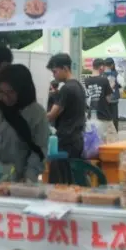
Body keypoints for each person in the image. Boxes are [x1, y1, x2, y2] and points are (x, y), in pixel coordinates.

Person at [0, 64, 48, 182]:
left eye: (11, 92)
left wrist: (28, 177)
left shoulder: (36, 113)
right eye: (1, 92)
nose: (5, 98)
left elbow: (39, 151)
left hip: (19, 180)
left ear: (23, 90)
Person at [47, 53, 86, 183]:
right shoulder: (78, 86)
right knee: (71, 179)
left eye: (55, 71)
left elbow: (52, 115)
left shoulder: (67, 88)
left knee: (60, 181)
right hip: (77, 138)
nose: (54, 75)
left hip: (66, 140)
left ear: (65, 68)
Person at [84, 58, 117, 143]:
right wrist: (111, 86)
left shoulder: (86, 81)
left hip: (92, 115)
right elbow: (108, 99)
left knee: (96, 140)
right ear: (101, 67)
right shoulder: (104, 80)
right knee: (111, 140)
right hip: (104, 114)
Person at [103, 57, 125, 132]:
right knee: (114, 117)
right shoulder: (116, 74)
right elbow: (122, 84)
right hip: (114, 98)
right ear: (112, 65)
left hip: (105, 99)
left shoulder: (102, 74)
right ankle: (115, 132)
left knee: (106, 117)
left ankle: (107, 132)